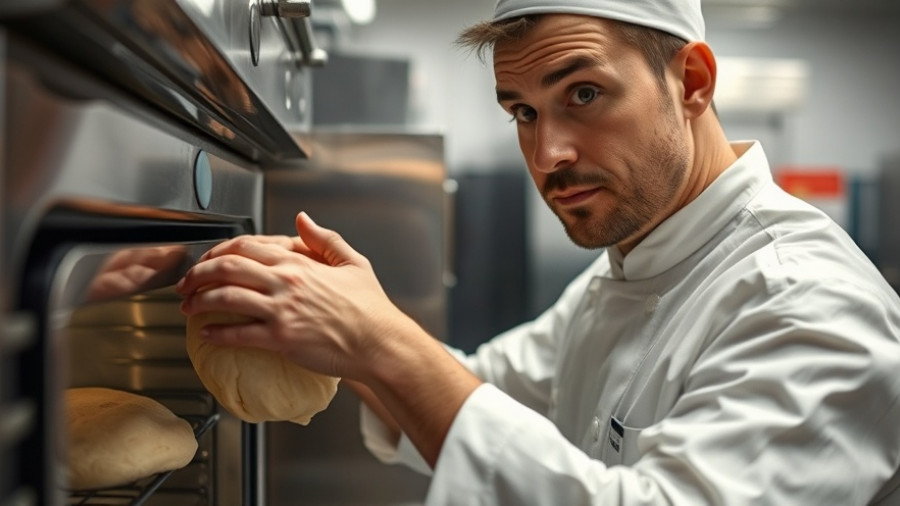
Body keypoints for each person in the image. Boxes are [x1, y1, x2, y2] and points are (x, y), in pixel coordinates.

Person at [176, 0, 900, 503]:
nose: (547, 153)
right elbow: (476, 387)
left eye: (583, 94)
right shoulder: (623, 275)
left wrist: (380, 338)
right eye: (523, 110)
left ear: (693, 82)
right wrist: (333, 317)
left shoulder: (804, 301)